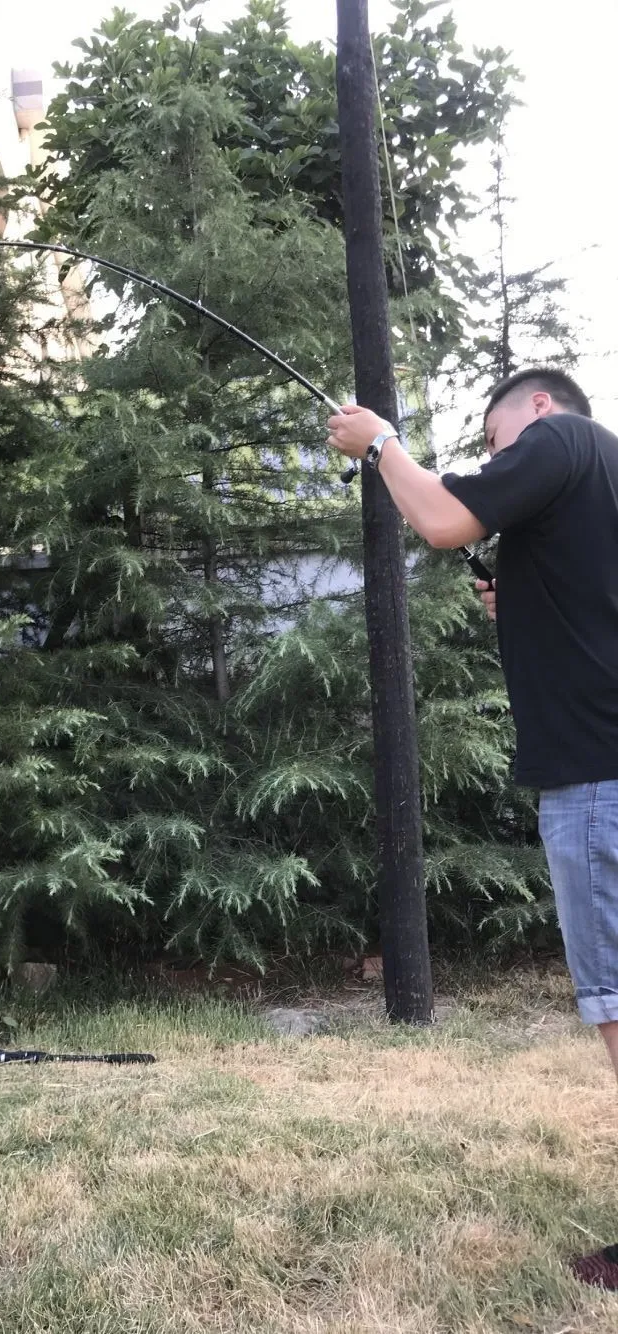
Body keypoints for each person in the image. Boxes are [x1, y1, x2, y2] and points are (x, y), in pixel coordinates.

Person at [326, 367, 618, 1292]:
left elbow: (444, 518)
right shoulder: (607, 476)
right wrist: (519, 592)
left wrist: (379, 444)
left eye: (496, 442)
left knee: (616, 1004)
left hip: (597, 780)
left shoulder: (561, 436)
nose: (498, 460)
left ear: (538, 407)